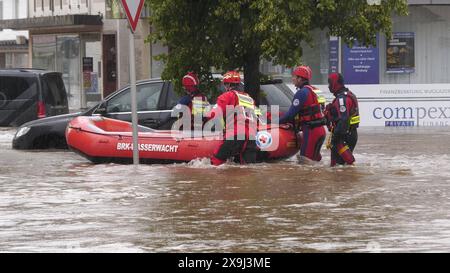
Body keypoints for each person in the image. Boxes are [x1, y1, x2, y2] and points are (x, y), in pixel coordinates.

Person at [209, 71, 258, 166]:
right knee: (247, 168)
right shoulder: (249, 98)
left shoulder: (227, 95)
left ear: (228, 84)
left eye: (225, 84)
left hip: (235, 136)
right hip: (251, 138)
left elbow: (214, 114)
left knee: (216, 161)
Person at [279, 65, 326, 162]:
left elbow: (290, 115)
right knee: (315, 161)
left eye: (294, 77)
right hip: (321, 131)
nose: (293, 79)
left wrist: (275, 122)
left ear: (300, 79)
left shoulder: (301, 93)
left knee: (304, 162)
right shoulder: (316, 90)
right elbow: (322, 109)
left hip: (311, 131)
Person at [324, 72, 360, 167]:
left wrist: (334, 139)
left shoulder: (341, 99)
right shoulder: (349, 94)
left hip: (343, 136)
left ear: (335, 83)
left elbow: (343, 121)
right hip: (350, 134)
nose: (328, 86)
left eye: (330, 83)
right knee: (341, 168)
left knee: (338, 167)